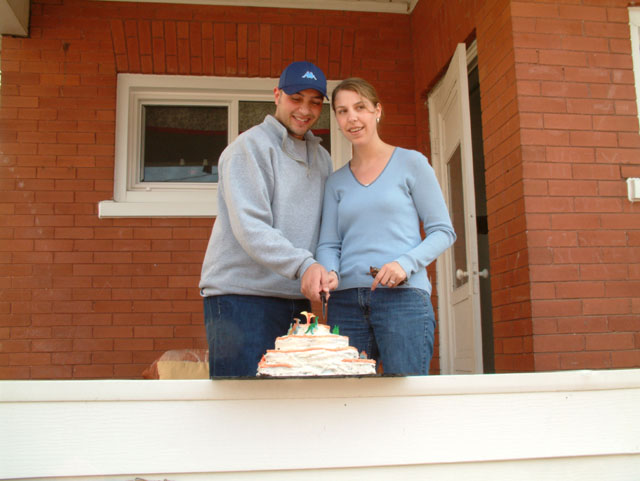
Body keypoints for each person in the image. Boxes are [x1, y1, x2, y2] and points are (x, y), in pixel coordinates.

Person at [199, 61, 334, 378]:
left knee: (289, 402)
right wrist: (304, 265)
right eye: (296, 98)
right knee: (243, 401)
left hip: (294, 298)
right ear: (277, 95)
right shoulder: (248, 148)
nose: (305, 110)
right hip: (242, 298)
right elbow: (251, 227)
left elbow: (327, 229)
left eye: (315, 102)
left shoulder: (323, 159)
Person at [315, 77, 456, 375]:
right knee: (348, 396)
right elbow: (329, 244)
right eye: (342, 111)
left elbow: (443, 231)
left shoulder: (412, 163)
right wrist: (330, 272)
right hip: (346, 303)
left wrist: (405, 264)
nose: (352, 118)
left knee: (405, 395)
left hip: (403, 298)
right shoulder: (335, 182)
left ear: (377, 110)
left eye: (360, 107)